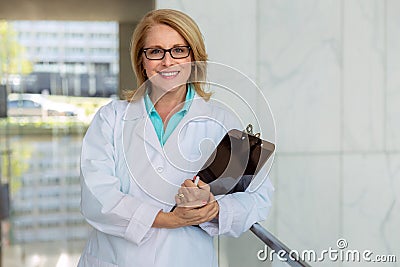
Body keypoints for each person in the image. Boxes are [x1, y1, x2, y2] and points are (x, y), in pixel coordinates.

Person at [78, 9, 274, 267]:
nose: (167, 62)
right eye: (156, 51)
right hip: (115, 259)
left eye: (179, 50)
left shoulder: (222, 122)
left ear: (194, 58)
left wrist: (214, 210)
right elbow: (97, 197)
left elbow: (259, 198)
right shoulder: (110, 119)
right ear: (142, 61)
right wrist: (169, 219)